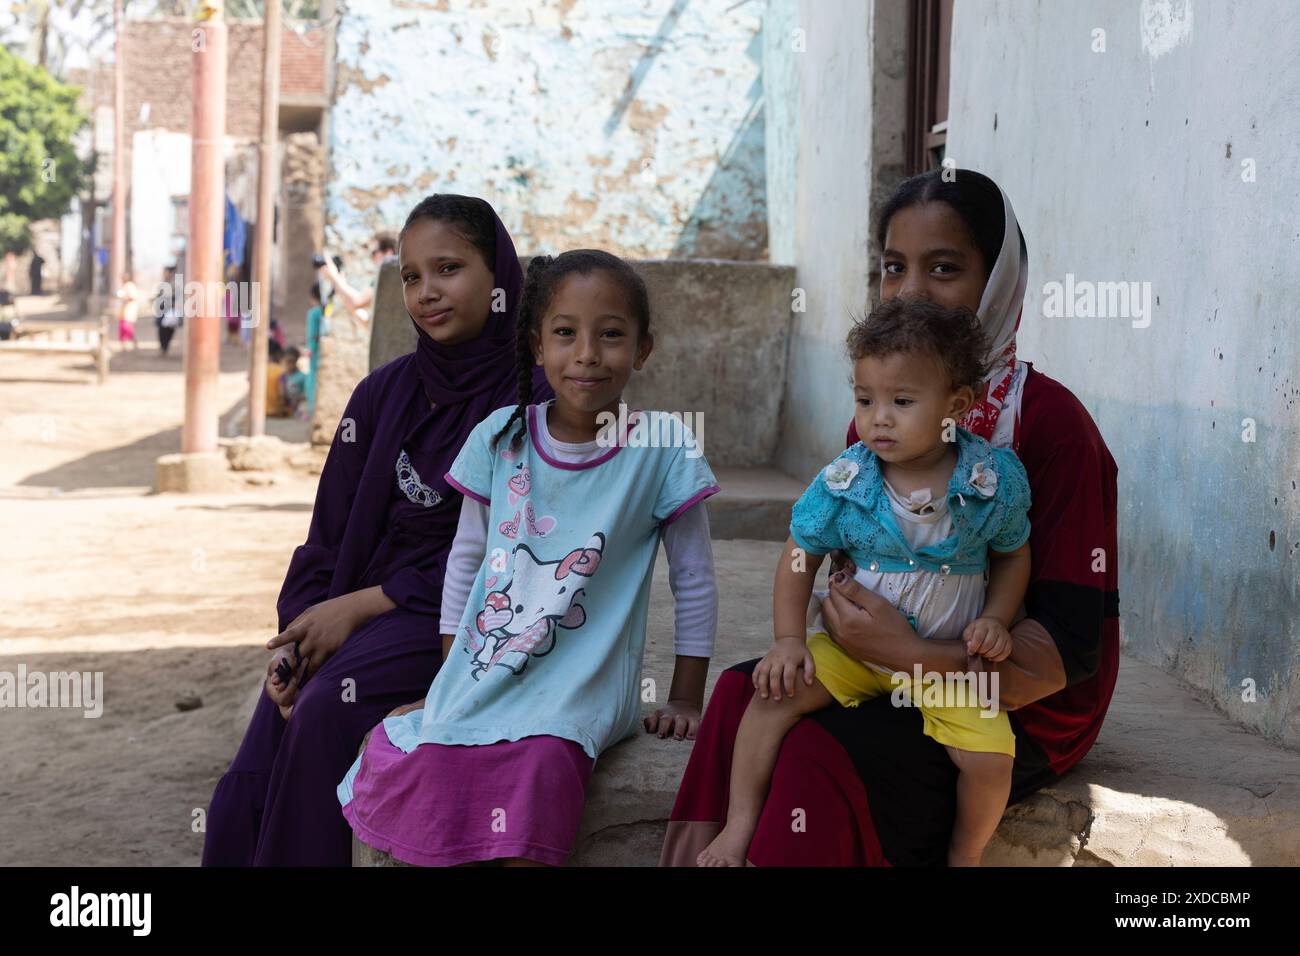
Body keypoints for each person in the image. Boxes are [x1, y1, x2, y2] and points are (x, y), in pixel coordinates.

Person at [661, 169, 1120, 867]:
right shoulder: (882, 419)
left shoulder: (1054, 427)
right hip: (884, 667)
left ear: (999, 281)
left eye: (944, 269)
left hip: (1016, 703)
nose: (910, 293)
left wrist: (906, 655)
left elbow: (1070, 653)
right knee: (739, 693)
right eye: (893, 268)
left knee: (820, 753)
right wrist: (840, 626)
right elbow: (833, 557)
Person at [336, 249, 720, 866]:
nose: (588, 353)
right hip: (487, 663)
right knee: (430, 752)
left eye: (611, 335)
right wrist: (447, 678)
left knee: (543, 760)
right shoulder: (499, 436)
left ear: (643, 349)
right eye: (565, 333)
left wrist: (684, 698)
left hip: (586, 685)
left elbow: (695, 580)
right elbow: (467, 562)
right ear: (538, 347)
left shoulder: (663, 447)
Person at [201, 195, 553, 867]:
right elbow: (326, 538)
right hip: (348, 607)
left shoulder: (532, 403)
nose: (426, 293)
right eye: (411, 276)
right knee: (250, 773)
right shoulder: (380, 395)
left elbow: (512, 556)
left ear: (499, 276)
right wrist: (295, 638)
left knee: (328, 710)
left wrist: (362, 607)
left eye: (448, 268)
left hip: (454, 619)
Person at [697, 297, 1031, 868]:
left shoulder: (989, 482)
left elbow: (1013, 555)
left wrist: (997, 617)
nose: (878, 416)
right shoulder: (848, 481)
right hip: (851, 652)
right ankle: (739, 826)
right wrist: (788, 640)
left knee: (991, 757)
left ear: (957, 405)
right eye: (865, 398)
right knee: (769, 701)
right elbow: (800, 554)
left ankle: (965, 855)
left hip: (939, 668)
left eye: (902, 401)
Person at [317, 233, 396, 329]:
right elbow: (369, 323)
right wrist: (339, 286)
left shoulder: (388, 276)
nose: (372, 257)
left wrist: (334, 277)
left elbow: (357, 301)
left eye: (374, 252)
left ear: (388, 253)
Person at [304, 282, 328, 416]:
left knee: (313, 376)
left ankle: (311, 408)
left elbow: (312, 335)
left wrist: (310, 350)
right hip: (322, 350)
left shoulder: (313, 313)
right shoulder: (325, 311)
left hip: (314, 350)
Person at [155, 265, 181, 357]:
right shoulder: (162, 284)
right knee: (161, 330)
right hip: (161, 310)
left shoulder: (174, 284)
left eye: (166, 272)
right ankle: (163, 347)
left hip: (170, 310)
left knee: (169, 330)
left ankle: (165, 347)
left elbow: (178, 297)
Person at [280, 346, 309, 420]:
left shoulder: (303, 377)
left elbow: (306, 394)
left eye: (292, 361)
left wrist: (298, 398)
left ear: (296, 360)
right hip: (286, 409)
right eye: (287, 361)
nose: (290, 364)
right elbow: (282, 394)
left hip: (299, 407)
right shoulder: (283, 377)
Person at [115, 274, 139, 350]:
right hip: (123, 310)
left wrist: (124, 298)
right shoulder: (124, 286)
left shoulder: (130, 286)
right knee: (123, 328)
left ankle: (130, 343)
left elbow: (133, 297)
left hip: (129, 310)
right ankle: (124, 345)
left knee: (127, 328)